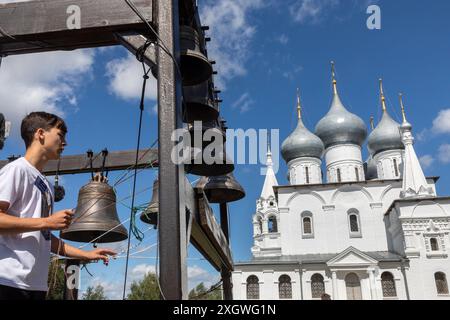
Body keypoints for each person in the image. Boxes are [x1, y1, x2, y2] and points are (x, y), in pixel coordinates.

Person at [0, 112, 116, 300]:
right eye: (60, 135)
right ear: (40, 134)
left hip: (35, 286)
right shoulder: (16, 170)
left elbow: (44, 237)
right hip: (8, 281)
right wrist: (46, 221)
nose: (65, 143)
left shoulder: (44, 184)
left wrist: (85, 254)